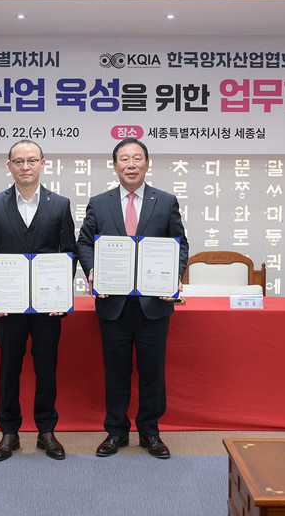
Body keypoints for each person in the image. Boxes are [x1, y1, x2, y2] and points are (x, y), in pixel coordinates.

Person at [76, 138, 188, 459]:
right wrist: (93, 270)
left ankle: (150, 432)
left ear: (147, 164)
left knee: (152, 371)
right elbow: (84, 243)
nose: (131, 164)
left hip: (154, 303)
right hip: (114, 302)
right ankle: (116, 431)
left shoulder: (165, 201)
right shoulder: (100, 203)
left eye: (137, 158)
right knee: (116, 371)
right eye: (124, 159)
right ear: (115, 166)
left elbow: (179, 243)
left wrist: (174, 275)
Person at [0, 140, 77, 462]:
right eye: (18, 161)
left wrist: (61, 294)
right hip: (9, 307)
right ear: (9, 166)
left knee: (47, 369)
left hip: (48, 307)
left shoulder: (59, 204)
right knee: (9, 370)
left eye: (32, 160)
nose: (25, 166)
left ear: (43, 164)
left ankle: (46, 431)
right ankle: (9, 433)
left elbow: (69, 252)